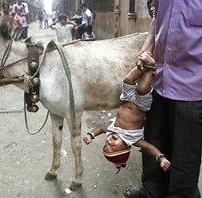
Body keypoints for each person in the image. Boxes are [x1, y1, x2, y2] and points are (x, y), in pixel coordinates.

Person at [123, 1, 202, 197]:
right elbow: (157, 20)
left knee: (184, 157)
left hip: (192, 87)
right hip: (159, 80)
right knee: (155, 142)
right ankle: (151, 192)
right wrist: (146, 50)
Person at [83, 51, 171, 174]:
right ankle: (151, 67)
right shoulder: (133, 140)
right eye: (113, 147)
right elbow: (149, 147)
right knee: (142, 88)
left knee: (128, 79)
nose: (109, 142)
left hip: (126, 99)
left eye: (106, 145)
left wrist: (91, 135)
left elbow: (102, 128)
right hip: (141, 105)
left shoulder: (111, 131)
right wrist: (161, 157)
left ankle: (143, 67)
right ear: (125, 148)